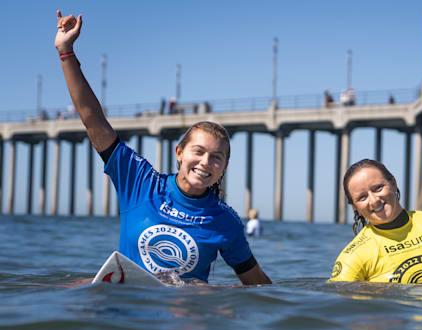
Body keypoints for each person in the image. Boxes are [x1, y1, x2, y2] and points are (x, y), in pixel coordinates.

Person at [55, 11, 271, 286]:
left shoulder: (225, 221)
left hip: (183, 318)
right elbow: (92, 119)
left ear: (224, 168)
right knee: (74, 286)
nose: (205, 162)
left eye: (216, 158)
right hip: (128, 299)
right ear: (179, 152)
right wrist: (66, 52)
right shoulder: (140, 182)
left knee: (201, 290)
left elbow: (258, 285)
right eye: (199, 151)